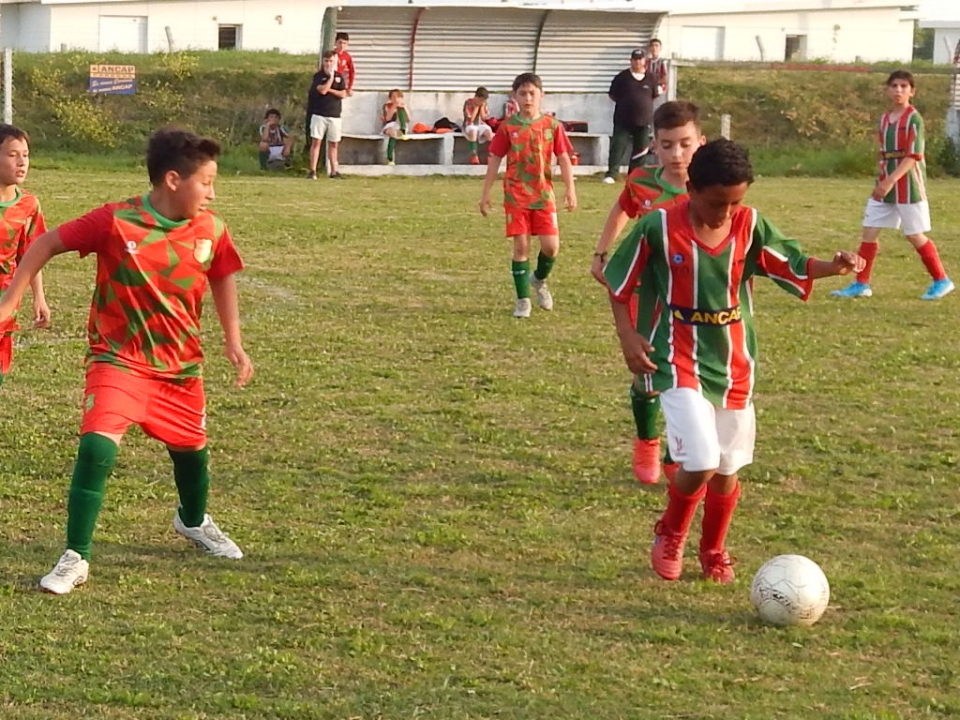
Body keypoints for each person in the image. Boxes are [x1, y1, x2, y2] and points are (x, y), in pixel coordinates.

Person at [0, 128, 255, 595]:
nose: (213, 192)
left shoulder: (212, 229)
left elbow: (222, 276)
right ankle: (75, 555)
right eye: (208, 181)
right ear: (174, 180)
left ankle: (193, 522)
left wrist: (233, 342)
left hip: (179, 368)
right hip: (118, 358)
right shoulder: (116, 221)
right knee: (98, 446)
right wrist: (11, 300)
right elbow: (45, 244)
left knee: (192, 452)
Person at [603, 139, 863, 583]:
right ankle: (670, 532)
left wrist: (832, 267)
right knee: (701, 459)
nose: (725, 212)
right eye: (716, 202)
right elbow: (618, 282)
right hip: (677, 355)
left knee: (726, 469)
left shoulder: (749, 224)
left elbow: (791, 263)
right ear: (693, 188)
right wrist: (629, 337)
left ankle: (713, 549)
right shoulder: (660, 227)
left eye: (735, 201)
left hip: (734, 361)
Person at [591, 101, 705, 485]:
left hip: (693, 299)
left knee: (687, 379)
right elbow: (622, 209)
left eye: (686, 144)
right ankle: (646, 441)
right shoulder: (642, 181)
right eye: (668, 145)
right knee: (647, 373)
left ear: (700, 143)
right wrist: (601, 253)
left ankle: (678, 453)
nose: (677, 154)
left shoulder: (711, 187)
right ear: (654, 145)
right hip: (647, 292)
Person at [832, 69, 953, 300]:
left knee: (914, 234)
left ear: (912, 91)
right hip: (884, 184)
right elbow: (884, 152)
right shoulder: (885, 119)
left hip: (908, 185)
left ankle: (941, 280)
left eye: (904, 86)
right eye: (894, 86)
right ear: (887, 90)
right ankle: (861, 283)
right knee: (869, 232)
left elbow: (913, 155)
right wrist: (882, 178)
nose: (899, 90)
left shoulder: (913, 119)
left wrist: (890, 180)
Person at [479, 73, 578, 318]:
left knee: (551, 247)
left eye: (532, 93)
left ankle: (539, 280)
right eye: (522, 93)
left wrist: (570, 189)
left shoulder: (552, 126)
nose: (527, 98)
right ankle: (523, 300)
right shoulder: (508, 127)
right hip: (516, 195)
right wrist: (486, 193)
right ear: (515, 97)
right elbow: (495, 158)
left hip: (544, 195)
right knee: (521, 245)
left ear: (541, 96)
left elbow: (564, 157)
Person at [0, 124, 51, 386]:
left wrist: (38, 298)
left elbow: (32, 255)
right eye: (12, 155)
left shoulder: (29, 205)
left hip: (7, 298)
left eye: (26, 155)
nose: (22, 162)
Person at [604, 49, 660, 185]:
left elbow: (654, 94)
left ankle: (635, 176)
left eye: (640, 59)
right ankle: (612, 174)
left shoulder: (651, 77)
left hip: (643, 120)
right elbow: (612, 95)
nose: (637, 62)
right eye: (635, 59)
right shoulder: (622, 77)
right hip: (623, 119)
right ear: (631, 61)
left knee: (641, 149)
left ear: (644, 61)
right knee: (618, 146)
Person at [306, 50, 347, 180]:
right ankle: (312, 170)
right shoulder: (318, 76)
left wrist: (330, 88)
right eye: (326, 61)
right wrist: (330, 78)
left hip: (334, 115)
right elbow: (322, 90)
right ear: (323, 62)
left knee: (333, 144)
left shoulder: (340, 77)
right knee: (316, 142)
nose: (329, 63)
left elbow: (343, 94)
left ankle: (334, 171)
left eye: (331, 61)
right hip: (319, 114)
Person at [463, 87, 494, 165]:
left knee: (488, 132)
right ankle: (474, 155)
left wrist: (482, 108)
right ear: (476, 97)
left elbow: (484, 118)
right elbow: (471, 119)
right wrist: (476, 108)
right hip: (470, 124)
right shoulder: (469, 102)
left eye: (483, 100)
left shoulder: (484, 104)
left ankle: (490, 155)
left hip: (480, 124)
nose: (482, 102)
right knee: (473, 131)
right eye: (481, 100)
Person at [381, 89, 410, 166]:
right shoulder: (387, 106)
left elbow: (408, 119)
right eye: (393, 97)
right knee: (392, 133)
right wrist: (394, 106)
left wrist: (404, 108)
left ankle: (403, 131)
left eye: (398, 97)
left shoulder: (403, 105)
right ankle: (390, 159)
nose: (396, 99)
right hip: (389, 126)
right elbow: (387, 118)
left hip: (400, 126)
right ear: (390, 98)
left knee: (395, 132)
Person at [334, 32, 356, 98]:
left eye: (344, 43)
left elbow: (352, 72)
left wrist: (349, 87)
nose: (342, 45)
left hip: (339, 81)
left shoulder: (347, 56)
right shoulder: (331, 54)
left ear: (347, 44)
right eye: (340, 42)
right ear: (335, 42)